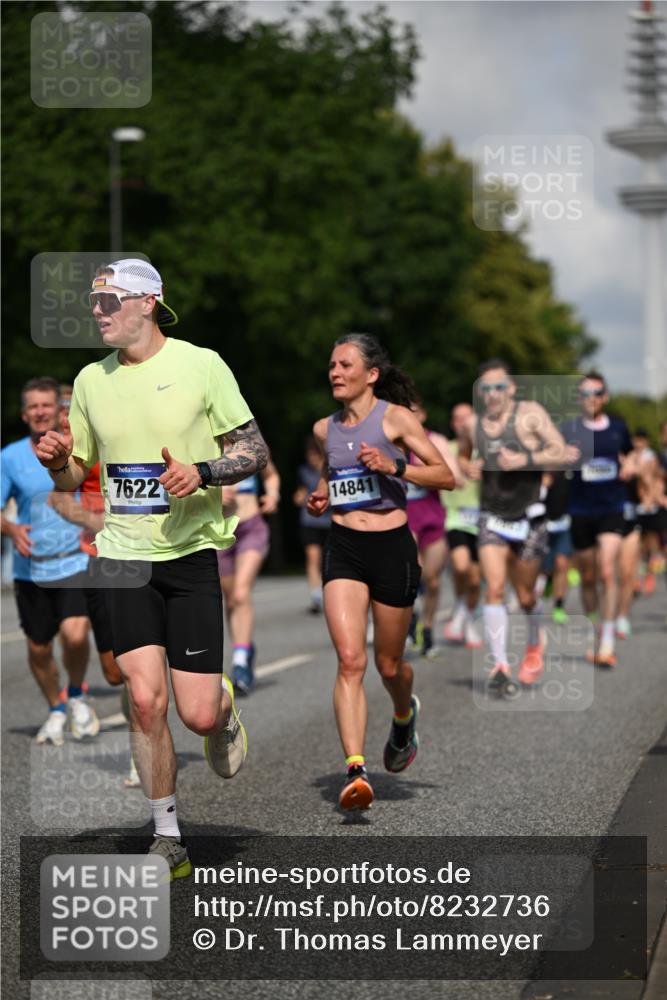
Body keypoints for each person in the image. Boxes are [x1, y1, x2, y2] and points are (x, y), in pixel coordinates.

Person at [36, 258, 268, 878]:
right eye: (93, 299)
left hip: (189, 553)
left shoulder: (201, 364)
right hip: (121, 554)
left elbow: (254, 449)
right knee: (143, 699)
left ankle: (220, 709)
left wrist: (204, 472)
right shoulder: (90, 379)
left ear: (148, 301)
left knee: (194, 714)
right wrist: (57, 458)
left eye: (108, 299)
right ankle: (167, 835)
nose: (97, 310)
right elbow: (73, 470)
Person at [306, 334, 454, 811]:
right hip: (345, 548)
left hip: (392, 547)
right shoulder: (324, 429)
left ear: (371, 374)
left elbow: (446, 475)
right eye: (331, 364)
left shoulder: (395, 418)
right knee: (351, 660)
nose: (335, 372)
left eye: (345, 364)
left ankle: (404, 713)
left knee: (389, 665)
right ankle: (356, 768)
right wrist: (324, 494)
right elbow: (334, 473)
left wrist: (395, 466)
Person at [458, 359, 578, 695]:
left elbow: (560, 452)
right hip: (492, 515)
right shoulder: (473, 423)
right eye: (486, 388)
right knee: (494, 588)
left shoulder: (530, 414)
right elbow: (463, 456)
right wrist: (469, 468)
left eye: (498, 387)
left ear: (511, 388)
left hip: (529, 515)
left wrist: (524, 460)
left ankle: (535, 644)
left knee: (525, 596)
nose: (492, 394)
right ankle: (500, 665)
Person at [1, 376, 98, 746]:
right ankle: (55, 708)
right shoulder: (9, 457)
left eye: (47, 405)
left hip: (74, 559)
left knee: (75, 635)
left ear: (60, 410)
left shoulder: (79, 448)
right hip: (32, 567)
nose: (41, 412)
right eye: (33, 406)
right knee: (38, 648)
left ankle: (75, 694)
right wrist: (11, 529)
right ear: (25, 414)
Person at [559, 371, 634, 667]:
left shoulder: (618, 427)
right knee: (588, 577)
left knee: (606, 570)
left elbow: (631, 455)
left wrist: (630, 465)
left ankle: (607, 638)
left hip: (612, 508)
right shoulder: (570, 429)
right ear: (580, 398)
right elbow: (555, 457)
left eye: (597, 392)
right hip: (580, 510)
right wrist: (564, 455)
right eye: (586, 393)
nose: (592, 398)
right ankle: (594, 626)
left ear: (606, 396)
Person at [217, 456, 281, 694]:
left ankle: (240, 661)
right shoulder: (202, 441)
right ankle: (244, 647)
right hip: (219, 531)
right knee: (231, 598)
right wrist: (211, 495)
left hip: (251, 526)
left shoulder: (249, 442)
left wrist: (273, 495)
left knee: (242, 594)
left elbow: (271, 474)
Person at [405, 403, 461, 658]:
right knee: (410, 575)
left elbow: (454, 477)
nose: (410, 416)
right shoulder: (390, 440)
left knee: (433, 580)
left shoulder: (434, 440)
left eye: (415, 411)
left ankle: (428, 630)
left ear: (424, 414)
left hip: (432, 518)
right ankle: (410, 620)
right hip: (403, 519)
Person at [442, 403, 483, 648]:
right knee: (460, 566)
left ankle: (467, 619)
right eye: (457, 419)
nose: (462, 423)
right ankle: (459, 605)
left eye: (467, 418)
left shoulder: (486, 451)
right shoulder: (446, 449)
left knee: (477, 581)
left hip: (482, 520)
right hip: (455, 518)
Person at [293, 435, 331, 614]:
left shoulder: (331, 470)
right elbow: (300, 493)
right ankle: (316, 595)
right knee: (312, 557)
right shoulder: (303, 471)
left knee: (328, 560)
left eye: (316, 456)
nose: (313, 460)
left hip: (330, 521)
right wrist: (299, 498)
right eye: (310, 456)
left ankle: (330, 593)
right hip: (310, 521)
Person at [541, 471, 575, 625]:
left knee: (562, 564)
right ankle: (548, 579)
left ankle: (559, 606)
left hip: (563, 525)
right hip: (542, 527)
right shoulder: (537, 472)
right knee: (547, 569)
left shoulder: (569, 472)